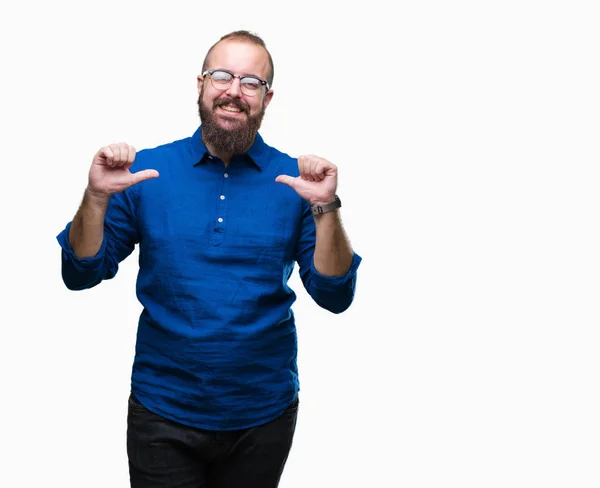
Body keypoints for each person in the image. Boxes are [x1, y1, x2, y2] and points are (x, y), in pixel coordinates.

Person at [57, 30, 362, 488]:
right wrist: (97, 197)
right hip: (162, 411)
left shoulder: (297, 182)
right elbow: (79, 273)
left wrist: (325, 208)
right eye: (222, 76)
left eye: (250, 82)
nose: (234, 91)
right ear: (200, 84)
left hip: (263, 414)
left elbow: (335, 296)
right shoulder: (146, 172)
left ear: (267, 97)